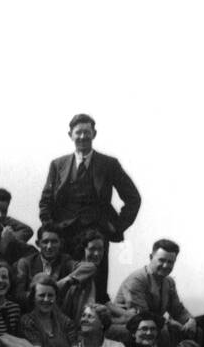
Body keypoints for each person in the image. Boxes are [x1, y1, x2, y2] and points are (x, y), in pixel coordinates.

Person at [37, 115, 140, 297]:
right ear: (70, 135)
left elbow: (133, 198)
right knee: (64, 282)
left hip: (96, 234)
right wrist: (50, 228)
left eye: (87, 132)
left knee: (96, 283)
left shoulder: (109, 164)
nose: (83, 137)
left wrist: (116, 227)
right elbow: (46, 201)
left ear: (94, 134)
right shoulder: (58, 164)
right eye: (78, 133)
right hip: (64, 234)